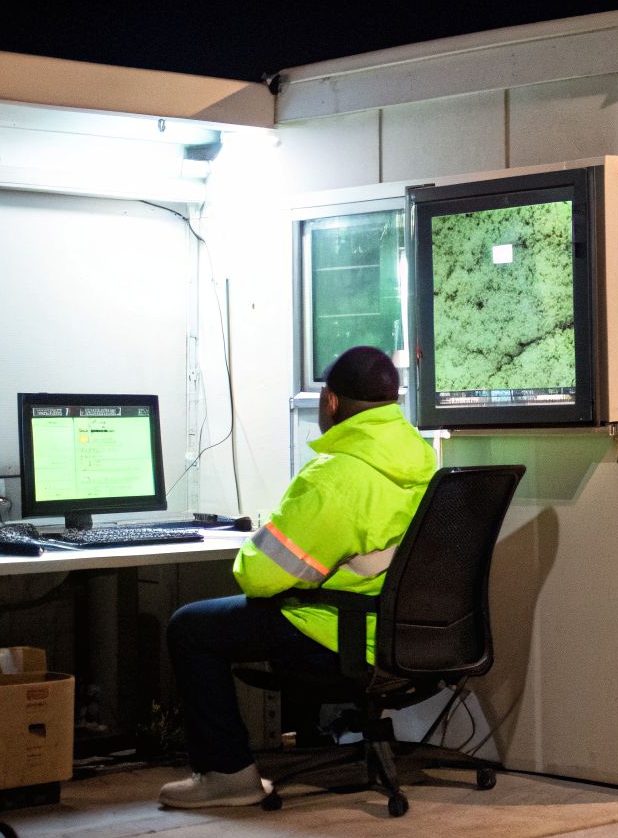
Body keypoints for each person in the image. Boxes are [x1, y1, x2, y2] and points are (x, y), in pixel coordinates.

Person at [158, 346, 437, 808]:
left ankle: (228, 775)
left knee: (190, 627)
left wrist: (261, 542)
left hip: (344, 636)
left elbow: (259, 578)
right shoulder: (422, 460)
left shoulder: (335, 477)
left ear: (330, 401)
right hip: (409, 634)